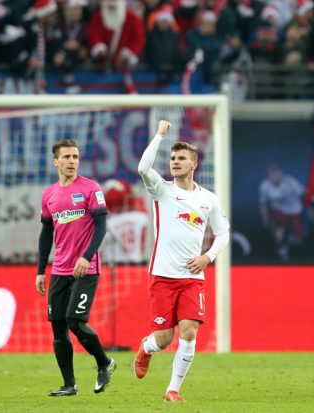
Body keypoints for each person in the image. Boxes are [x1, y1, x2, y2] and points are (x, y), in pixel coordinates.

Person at [133, 120, 230, 402]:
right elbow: (142, 168)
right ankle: (146, 348)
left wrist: (207, 257)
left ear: (194, 164)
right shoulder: (161, 190)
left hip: (192, 278)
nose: (175, 162)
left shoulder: (208, 199)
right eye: (173, 158)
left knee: (189, 332)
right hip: (162, 276)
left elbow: (223, 233)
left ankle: (172, 390)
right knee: (163, 339)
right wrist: (160, 136)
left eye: (181, 158)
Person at [35, 139, 116, 397]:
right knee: (58, 326)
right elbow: (46, 232)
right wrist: (40, 270)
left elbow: (101, 227)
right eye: (67, 157)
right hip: (59, 269)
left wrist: (86, 256)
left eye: (76, 156)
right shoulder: (49, 194)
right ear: (55, 161)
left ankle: (105, 363)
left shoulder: (91, 188)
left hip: (86, 267)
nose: (72, 161)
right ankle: (69, 384)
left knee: (75, 321)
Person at [258, 163, 307, 262]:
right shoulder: (265, 186)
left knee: (297, 240)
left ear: (280, 174)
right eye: (272, 175)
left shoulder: (290, 182)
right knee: (278, 233)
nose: (275, 177)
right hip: (279, 212)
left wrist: (309, 210)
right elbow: (262, 203)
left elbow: (304, 193)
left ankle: (290, 241)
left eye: (277, 174)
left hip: (294, 211)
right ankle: (282, 252)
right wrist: (265, 217)